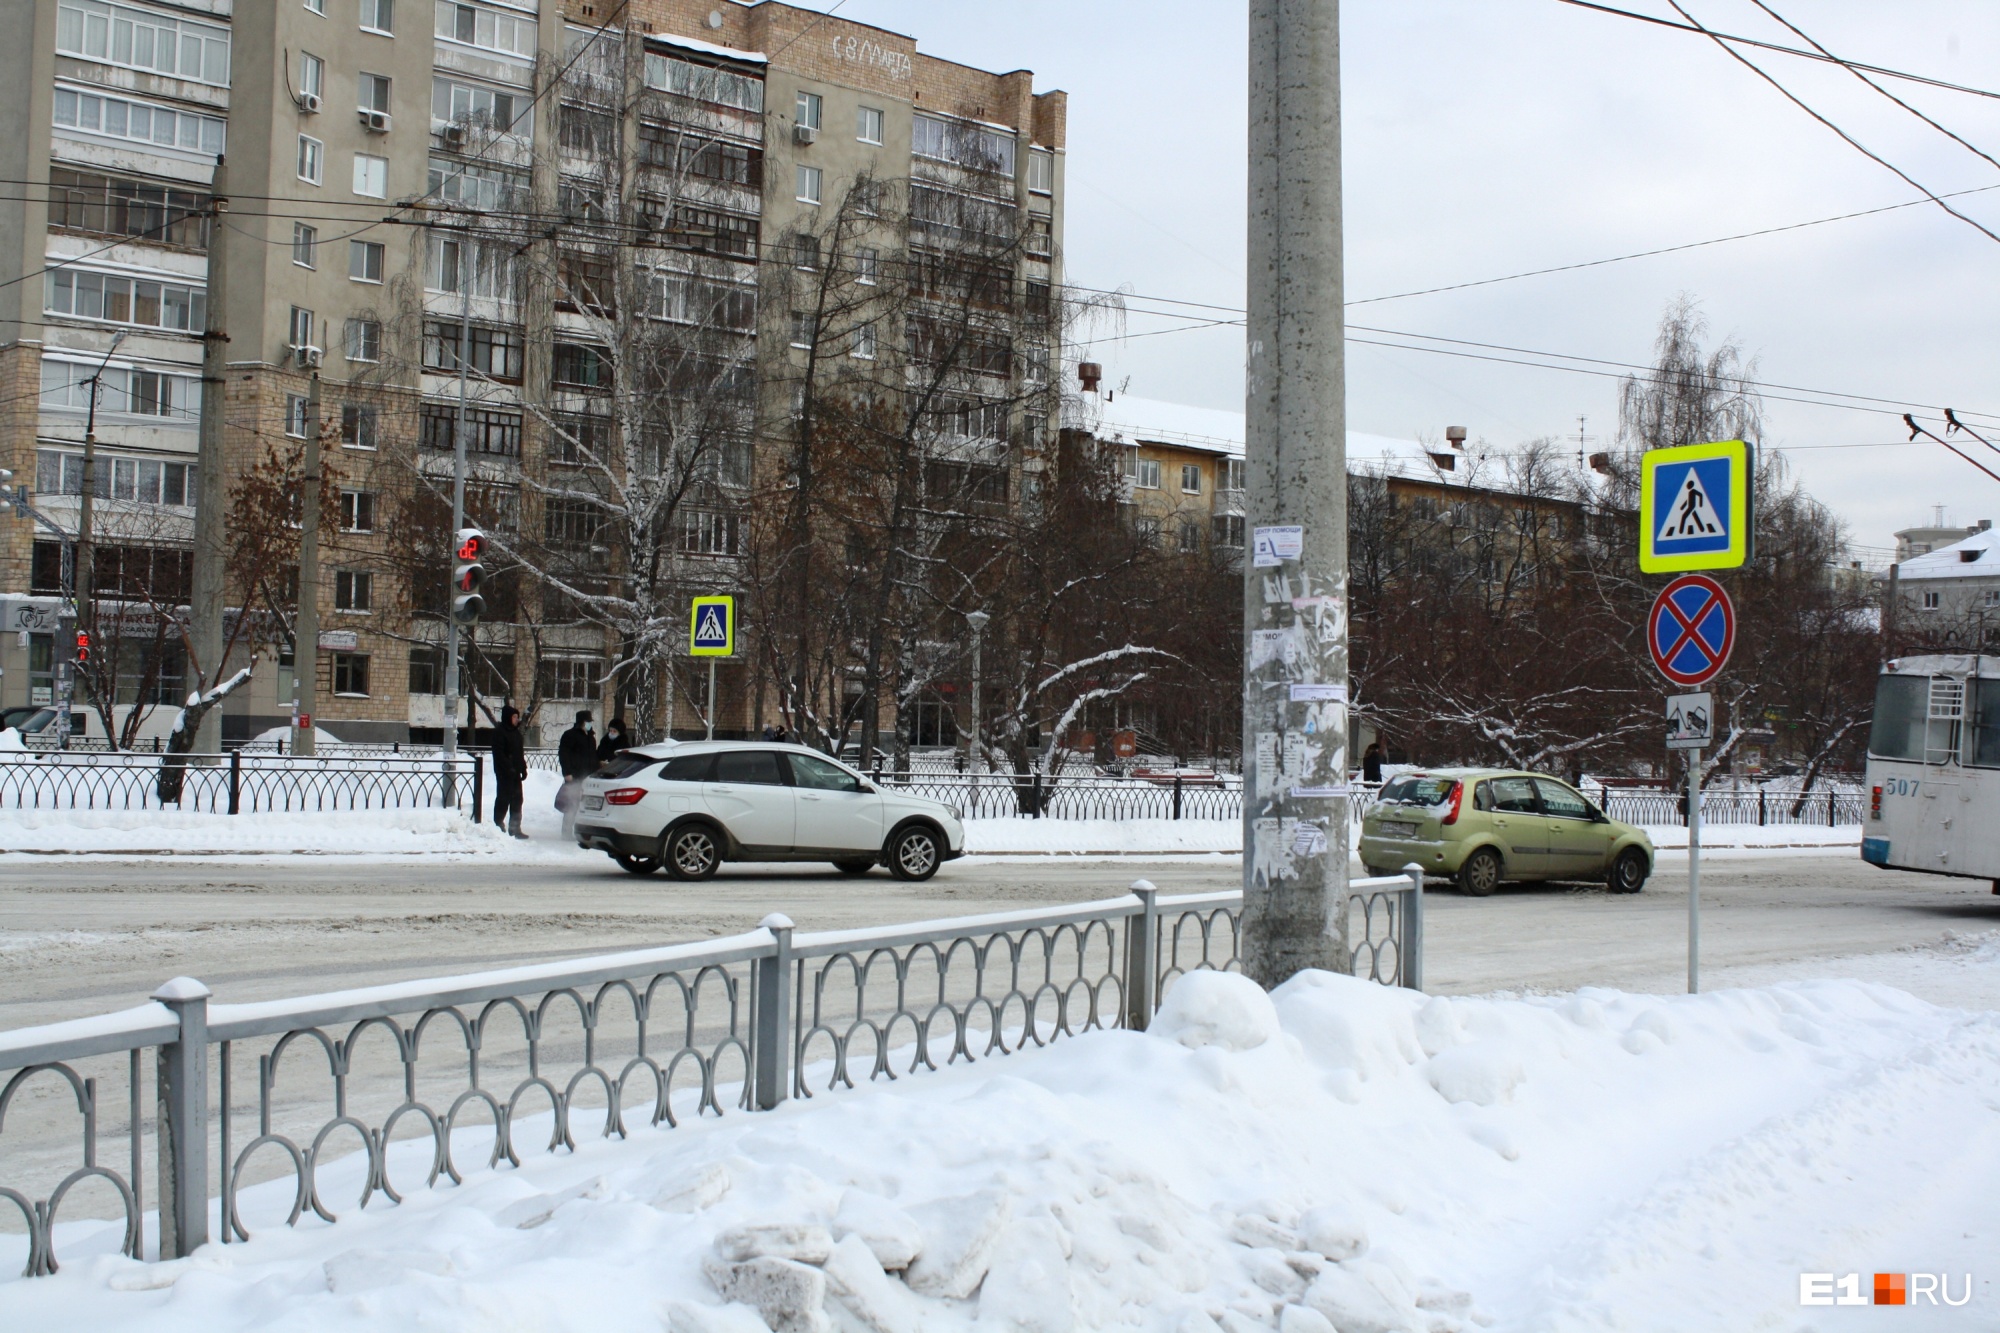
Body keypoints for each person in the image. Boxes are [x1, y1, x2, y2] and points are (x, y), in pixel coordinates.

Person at [556, 710, 596, 839]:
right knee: (571, 805)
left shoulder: (591, 737)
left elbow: (592, 757)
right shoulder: (570, 735)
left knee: (584, 806)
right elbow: (564, 755)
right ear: (582, 722)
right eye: (588, 721)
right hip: (574, 776)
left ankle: (582, 833)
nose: (590, 724)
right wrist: (567, 772)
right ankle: (566, 832)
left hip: (587, 777)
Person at [491, 705, 529, 838]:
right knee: (503, 799)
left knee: (518, 799)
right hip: (504, 774)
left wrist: (523, 768)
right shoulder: (500, 732)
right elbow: (499, 754)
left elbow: (519, 754)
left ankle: (515, 828)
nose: (516, 720)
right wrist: (509, 768)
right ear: (508, 717)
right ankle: (498, 825)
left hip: (515, 773)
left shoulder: (516, 733)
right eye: (514, 717)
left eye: (517, 717)